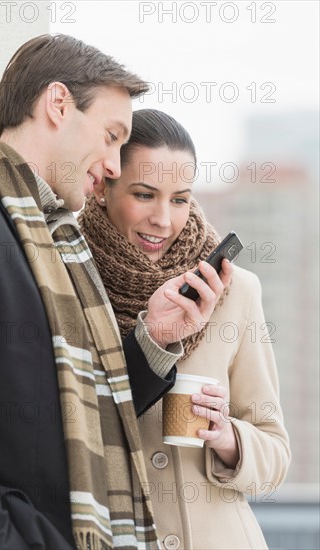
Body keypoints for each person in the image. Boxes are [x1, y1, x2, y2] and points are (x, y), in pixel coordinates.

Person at [0, 36, 231, 550]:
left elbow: (84, 414)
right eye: (112, 136)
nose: (115, 165)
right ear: (57, 104)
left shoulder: (57, 244)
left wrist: (156, 336)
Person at [79, 109, 291, 550]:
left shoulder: (235, 291)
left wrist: (228, 437)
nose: (163, 219)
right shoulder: (70, 283)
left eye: (179, 199)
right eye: (144, 194)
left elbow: (275, 454)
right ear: (102, 186)